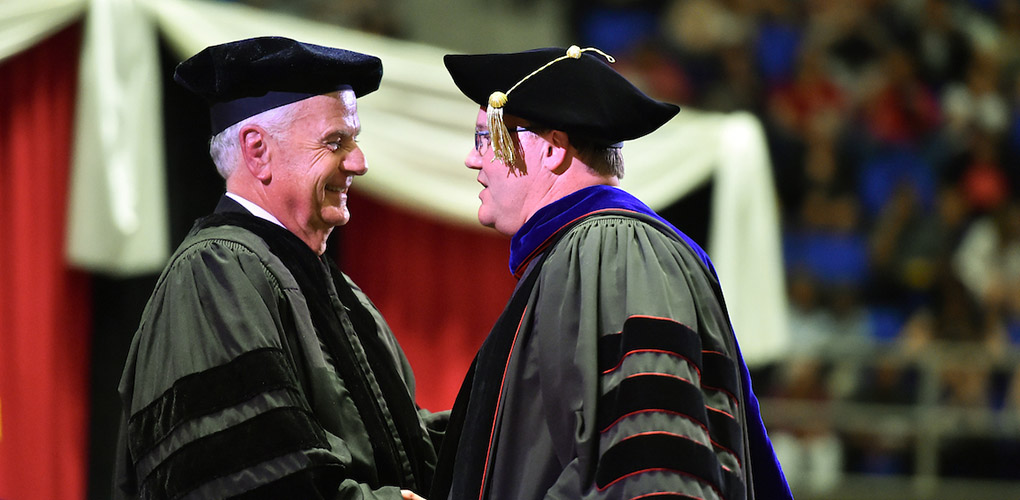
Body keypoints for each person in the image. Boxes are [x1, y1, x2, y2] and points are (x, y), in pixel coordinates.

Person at [430, 46, 793, 500]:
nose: (472, 158)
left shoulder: (616, 248)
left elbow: (656, 468)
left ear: (551, 149)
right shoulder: (574, 253)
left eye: (486, 138)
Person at [113, 37, 439, 500]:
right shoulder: (215, 277)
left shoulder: (329, 286)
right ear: (257, 150)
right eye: (335, 142)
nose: (360, 162)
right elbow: (246, 479)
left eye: (355, 141)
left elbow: (400, 442)